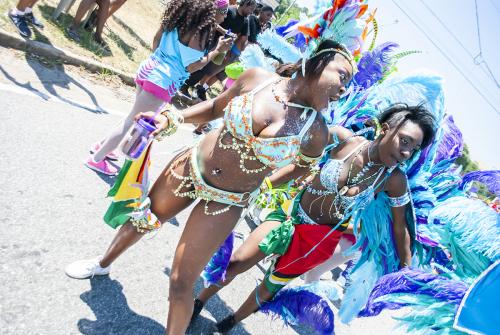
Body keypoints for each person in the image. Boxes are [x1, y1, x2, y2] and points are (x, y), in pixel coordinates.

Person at [65, 39, 355, 334]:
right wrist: (170, 117)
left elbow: (305, 166)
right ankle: (102, 263)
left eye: (349, 83)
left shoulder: (315, 130)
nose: (344, 88)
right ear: (316, 63)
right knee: (142, 219)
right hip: (191, 167)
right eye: (342, 75)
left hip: (227, 200)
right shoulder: (257, 80)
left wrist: (268, 183)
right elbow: (215, 107)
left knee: (181, 282)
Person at [191, 104, 437, 333]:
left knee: (269, 288)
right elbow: (296, 150)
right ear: (386, 129)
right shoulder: (344, 139)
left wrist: (405, 271)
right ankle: (198, 302)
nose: (406, 152)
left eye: (413, 149)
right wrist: (261, 180)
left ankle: (230, 322)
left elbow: (400, 227)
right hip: (290, 216)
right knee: (237, 262)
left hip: (316, 241)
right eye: (404, 141)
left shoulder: (393, 180)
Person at [84, 0, 232, 175]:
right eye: (224, 12)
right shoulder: (199, 32)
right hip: (162, 80)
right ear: (213, 11)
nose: (224, 18)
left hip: (149, 68)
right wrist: (217, 51)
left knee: (132, 116)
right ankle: (97, 159)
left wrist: (160, 60)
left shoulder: (179, 18)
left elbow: (156, 39)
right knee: (132, 120)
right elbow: (192, 66)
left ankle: (103, 146)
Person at [180, 0, 257, 102]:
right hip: (210, 41)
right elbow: (213, 21)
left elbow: (241, 37)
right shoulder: (229, 10)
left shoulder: (245, 21)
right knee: (198, 64)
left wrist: (230, 48)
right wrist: (224, 31)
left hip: (223, 48)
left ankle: (187, 85)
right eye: (251, 8)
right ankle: (182, 85)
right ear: (245, 4)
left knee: (206, 70)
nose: (251, 12)